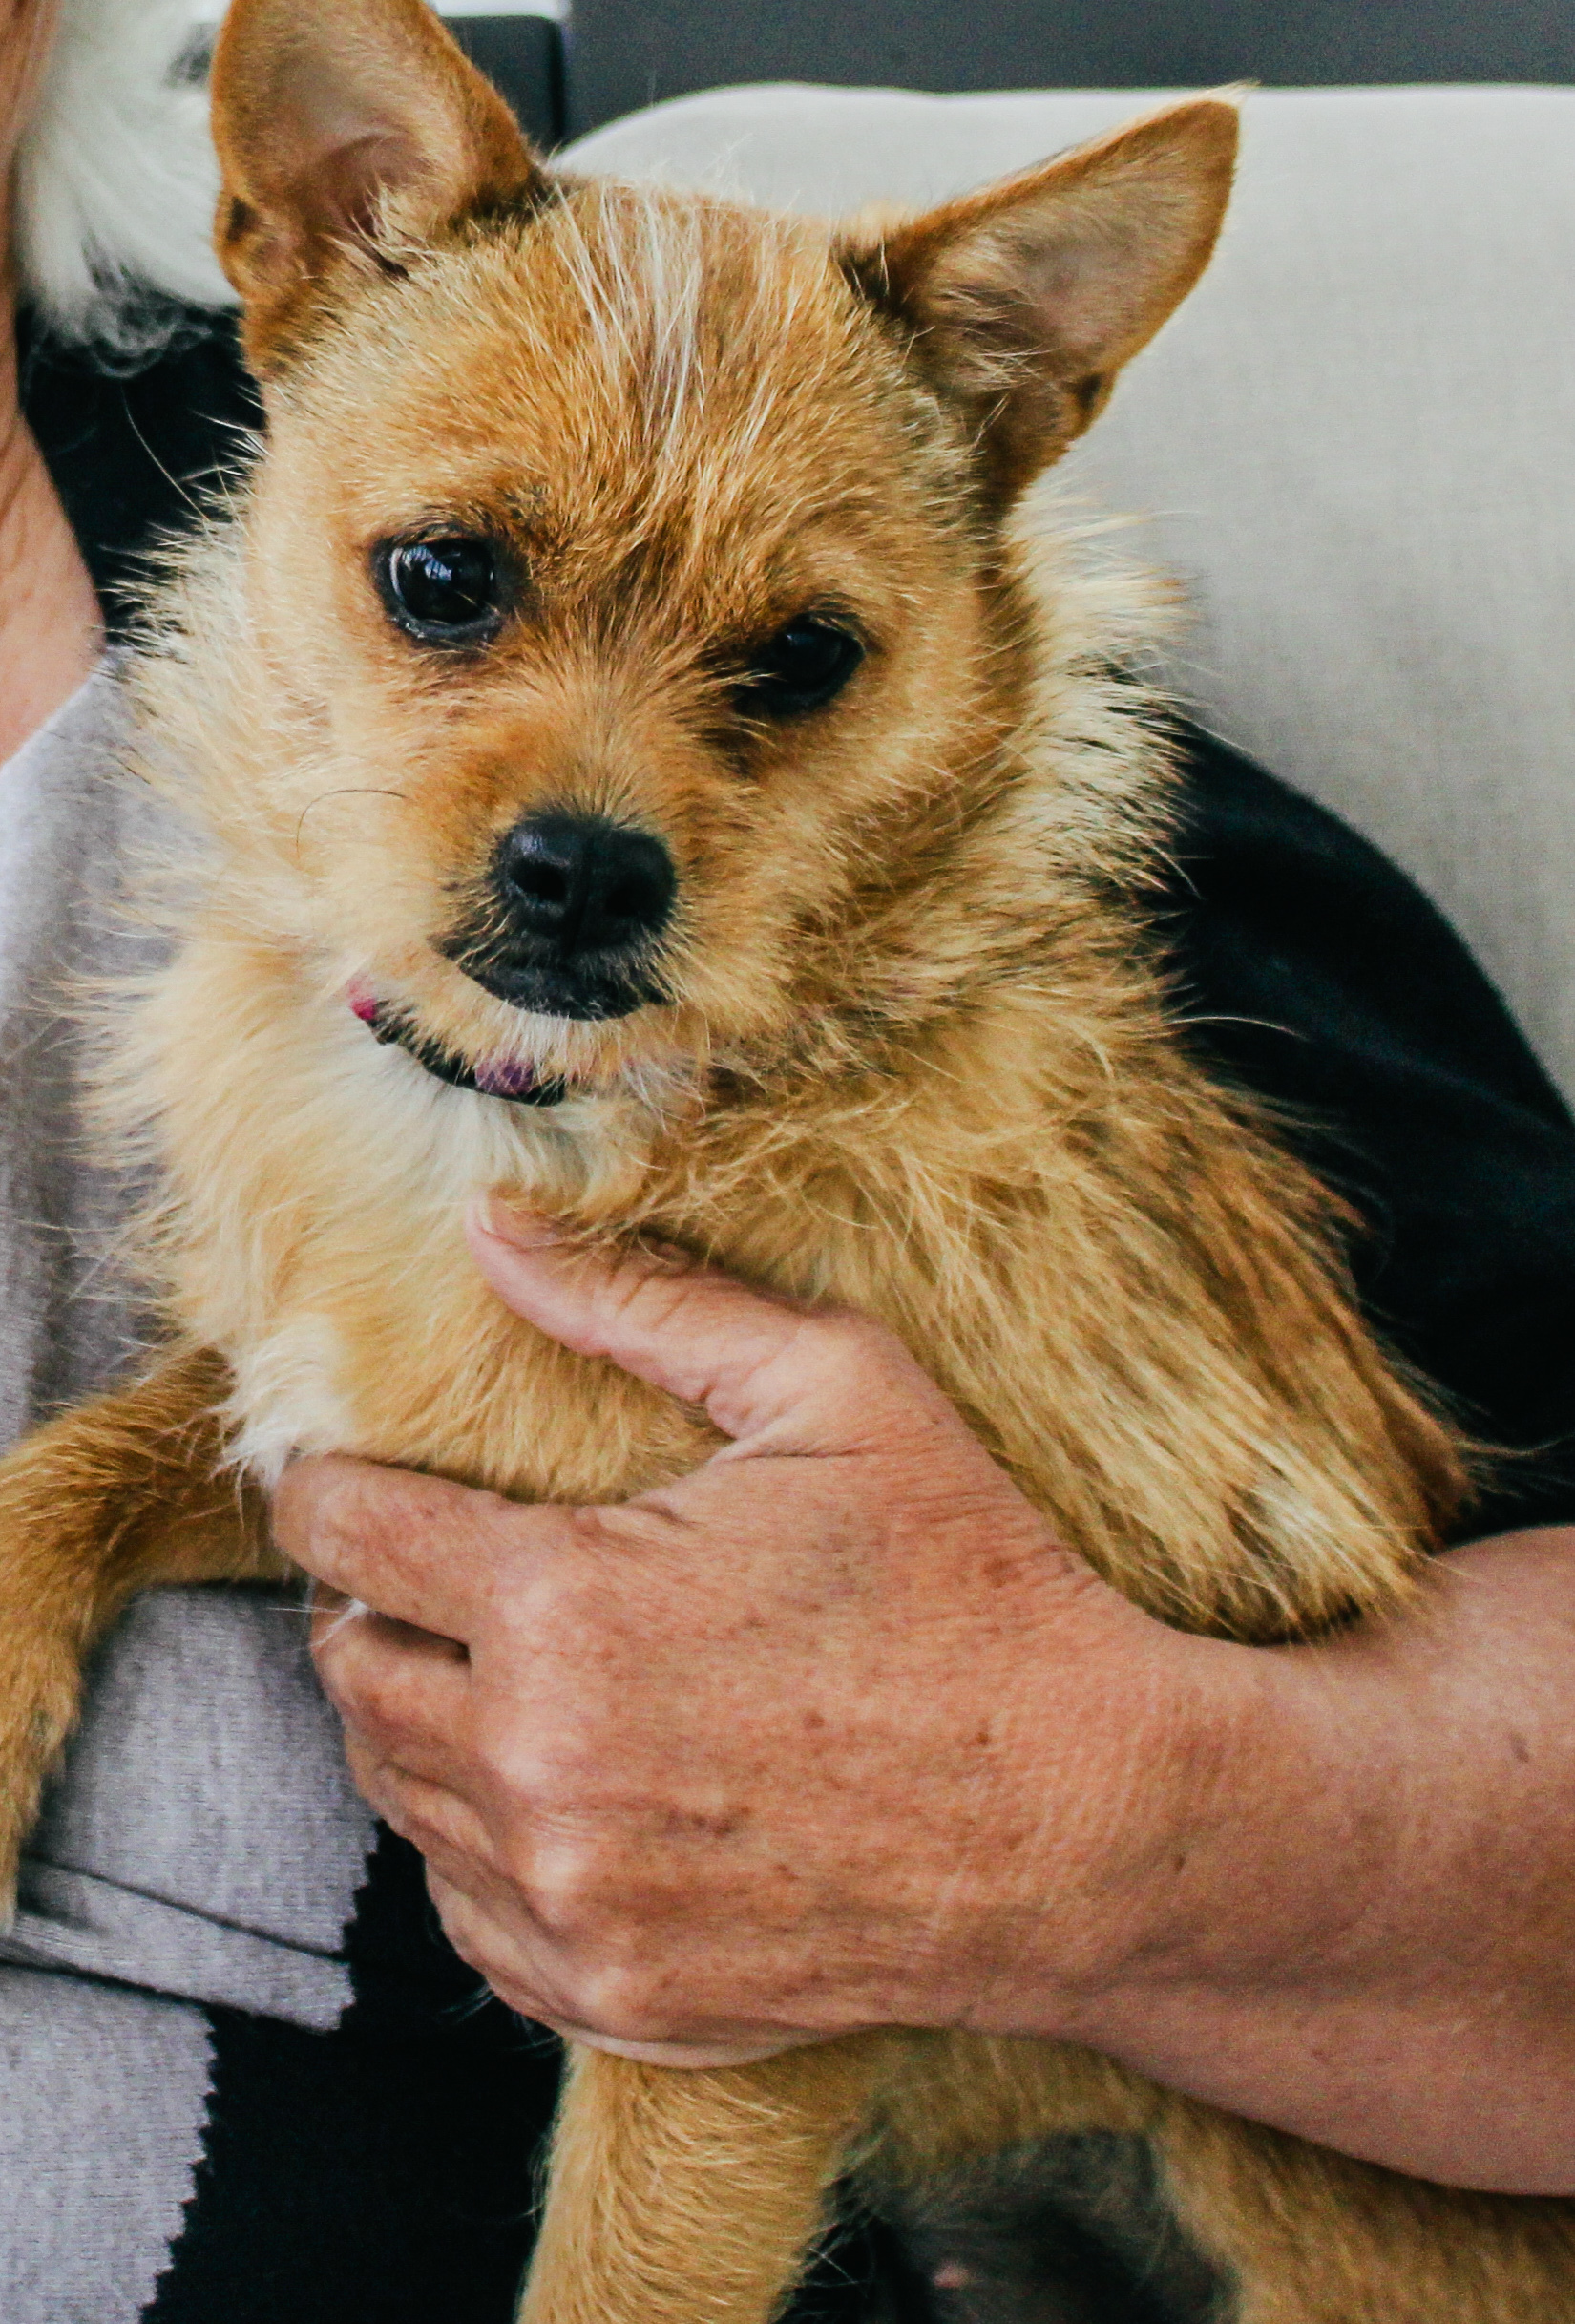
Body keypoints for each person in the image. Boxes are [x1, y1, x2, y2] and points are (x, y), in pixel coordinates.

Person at [2, 2, 1575, 2318]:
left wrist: (1116, 1807)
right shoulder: (277, 950)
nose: (593, 824)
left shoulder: (1001, 926)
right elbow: (358, 1421)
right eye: (450, 590)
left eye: (789, 672)